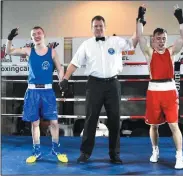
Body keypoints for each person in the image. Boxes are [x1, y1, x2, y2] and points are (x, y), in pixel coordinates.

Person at [59, 7, 144, 164]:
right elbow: (75, 62)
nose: (98, 28)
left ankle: (115, 154)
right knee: (91, 119)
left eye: (100, 25)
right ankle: (85, 153)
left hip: (113, 84)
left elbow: (133, 42)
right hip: (94, 84)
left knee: (114, 119)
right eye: (95, 26)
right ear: (92, 28)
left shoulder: (115, 41)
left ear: (105, 27)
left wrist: (139, 21)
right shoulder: (86, 45)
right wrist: (65, 78)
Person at [5, 26, 68, 163]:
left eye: (39, 33)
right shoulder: (29, 50)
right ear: (32, 37)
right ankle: (37, 151)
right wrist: (10, 39)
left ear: (44, 35)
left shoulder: (52, 52)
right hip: (32, 91)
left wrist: (61, 79)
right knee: (35, 123)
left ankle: (56, 149)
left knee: (54, 122)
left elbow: (59, 67)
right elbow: (8, 51)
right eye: (34, 34)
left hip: (47, 91)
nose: (37, 36)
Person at [137, 4, 183, 169]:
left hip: (169, 90)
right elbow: (139, 37)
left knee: (174, 124)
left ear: (166, 40)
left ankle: (179, 156)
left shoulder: (171, 52)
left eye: (164, 39)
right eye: (158, 38)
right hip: (153, 91)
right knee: (154, 125)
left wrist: (180, 18)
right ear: (153, 39)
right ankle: (155, 150)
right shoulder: (149, 52)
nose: (161, 41)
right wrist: (140, 17)